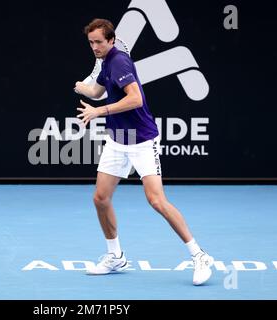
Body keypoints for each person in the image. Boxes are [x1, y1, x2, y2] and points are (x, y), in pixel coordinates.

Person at [74, 18, 214, 285]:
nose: (94, 47)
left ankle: (199, 255)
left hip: (141, 140)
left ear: (111, 40)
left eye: (99, 42)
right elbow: (98, 90)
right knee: (101, 198)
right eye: (91, 42)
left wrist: (99, 111)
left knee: (156, 201)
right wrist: (83, 88)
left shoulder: (119, 62)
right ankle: (115, 257)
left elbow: (135, 98)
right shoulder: (105, 63)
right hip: (118, 139)